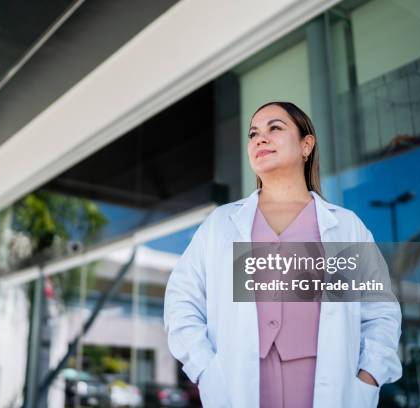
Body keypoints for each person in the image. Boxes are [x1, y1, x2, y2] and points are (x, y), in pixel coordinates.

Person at [163, 101, 402, 407]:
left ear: (307, 144)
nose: (260, 139)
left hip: (326, 390)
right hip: (239, 389)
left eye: (274, 128)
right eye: (253, 134)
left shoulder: (344, 227)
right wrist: (205, 370)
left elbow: (380, 311)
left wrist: (368, 376)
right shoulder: (220, 225)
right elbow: (181, 302)